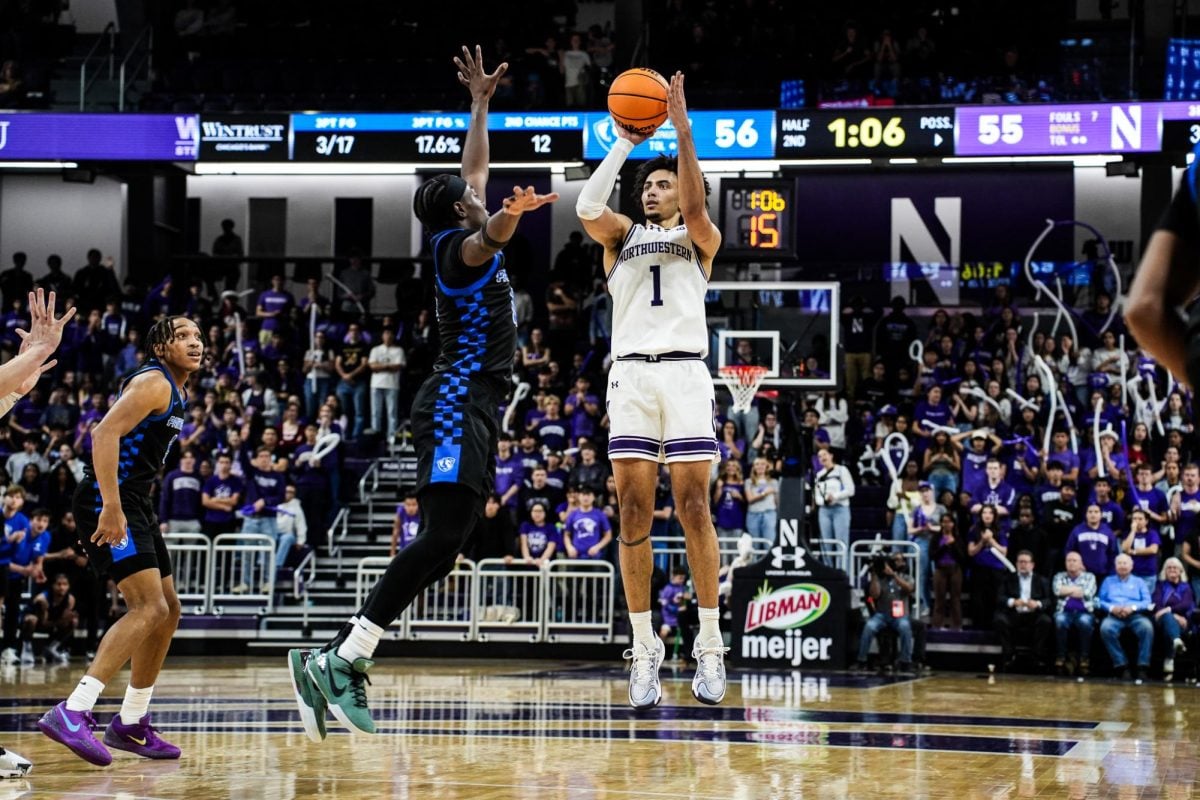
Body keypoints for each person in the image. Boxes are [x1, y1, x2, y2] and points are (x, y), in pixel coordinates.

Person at [287, 46, 557, 741]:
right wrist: (509, 218)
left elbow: (473, 171)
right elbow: (487, 233)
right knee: (443, 533)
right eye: (471, 197)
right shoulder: (457, 250)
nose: (480, 189)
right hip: (453, 401)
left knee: (453, 535)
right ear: (458, 212)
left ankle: (339, 656)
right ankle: (343, 657)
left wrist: (480, 103)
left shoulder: (455, 220)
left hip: (470, 402)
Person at [575, 70, 727, 709]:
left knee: (694, 507)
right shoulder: (621, 237)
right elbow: (587, 207)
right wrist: (625, 144)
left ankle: (710, 643)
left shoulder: (700, 239)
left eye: (663, 183)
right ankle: (644, 648)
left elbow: (696, 207)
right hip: (632, 373)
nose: (653, 190)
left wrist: (683, 131)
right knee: (633, 512)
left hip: (687, 373)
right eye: (648, 185)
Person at [38, 314, 203, 765]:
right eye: (183, 336)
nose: (195, 342)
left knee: (168, 610)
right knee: (147, 607)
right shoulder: (154, 382)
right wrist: (111, 505)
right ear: (161, 348)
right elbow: (102, 432)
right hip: (107, 499)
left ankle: (131, 722)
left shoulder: (177, 387)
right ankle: (72, 711)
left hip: (136, 500)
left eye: (198, 336)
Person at [854, 550, 915, 673]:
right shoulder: (881, 578)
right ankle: (862, 660)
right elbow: (874, 595)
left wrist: (893, 575)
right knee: (869, 626)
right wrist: (874, 574)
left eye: (899, 560)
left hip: (900, 615)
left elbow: (909, 588)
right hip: (882, 614)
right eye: (894, 560)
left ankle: (905, 661)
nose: (896, 562)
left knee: (904, 626)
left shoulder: (907, 577)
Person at [1097, 553, 1155, 683]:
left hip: (1135, 615)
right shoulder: (1108, 581)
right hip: (1114, 616)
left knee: (1147, 627)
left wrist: (1132, 608)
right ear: (1115, 565)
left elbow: (1147, 601)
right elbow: (1099, 601)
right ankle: (1121, 665)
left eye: (1125, 563)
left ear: (1131, 566)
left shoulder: (1139, 582)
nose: (1122, 566)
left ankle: (1142, 666)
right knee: (1105, 628)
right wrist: (1112, 608)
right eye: (1119, 563)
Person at [993, 550, 1053, 670]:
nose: (1023, 565)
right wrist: (1012, 602)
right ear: (1016, 564)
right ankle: (1009, 655)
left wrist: (1037, 603)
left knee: (1045, 621)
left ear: (1032, 565)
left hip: (1033, 614)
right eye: (1020, 562)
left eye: (1026, 562)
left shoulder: (1042, 580)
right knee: (999, 619)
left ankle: (1037, 656)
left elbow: (1049, 600)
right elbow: (999, 597)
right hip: (1014, 613)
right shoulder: (1008, 579)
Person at [1052, 551, 1097, 677]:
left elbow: (1086, 593)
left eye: (1074, 560)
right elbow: (1057, 591)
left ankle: (1084, 658)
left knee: (1085, 622)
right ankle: (1061, 656)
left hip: (1084, 612)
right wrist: (1077, 590)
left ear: (1081, 563)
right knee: (1060, 620)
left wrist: (1066, 590)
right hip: (1064, 611)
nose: (1071, 563)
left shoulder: (1090, 577)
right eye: (1068, 560)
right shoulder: (1059, 576)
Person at [1152, 557, 1193, 681]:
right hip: (1162, 620)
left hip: (1183, 622)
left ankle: (1170, 656)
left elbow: (1186, 604)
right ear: (1164, 571)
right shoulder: (1160, 586)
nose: (1172, 570)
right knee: (1169, 619)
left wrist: (1168, 610)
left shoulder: (1186, 587)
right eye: (1169, 567)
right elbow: (1157, 604)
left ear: (1181, 571)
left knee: (1169, 624)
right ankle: (1176, 642)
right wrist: (1173, 614)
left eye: (1175, 567)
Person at [367, 327, 405, 442]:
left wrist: (380, 366)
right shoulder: (375, 350)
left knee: (391, 412)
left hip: (392, 384)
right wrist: (388, 366)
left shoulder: (398, 350)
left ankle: (391, 436)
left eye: (390, 334)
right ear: (382, 336)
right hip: (376, 384)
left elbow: (398, 366)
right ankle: (375, 436)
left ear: (393, 336)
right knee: (375, 412)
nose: (388, 336)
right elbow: (372, 367)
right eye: (386, 333)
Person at [814, 448, 855, 555]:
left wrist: (835, 496)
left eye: (824, 454)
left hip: (840, 509)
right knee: (826, 543)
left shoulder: (842, 470)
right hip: (824, 510)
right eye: (819, 456)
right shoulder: (819, 475)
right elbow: (817, 496)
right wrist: (824, 500)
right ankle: (827, 569)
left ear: (831, 456)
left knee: (841, 542)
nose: (822, 457)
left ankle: (842, 569)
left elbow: (850, 490)